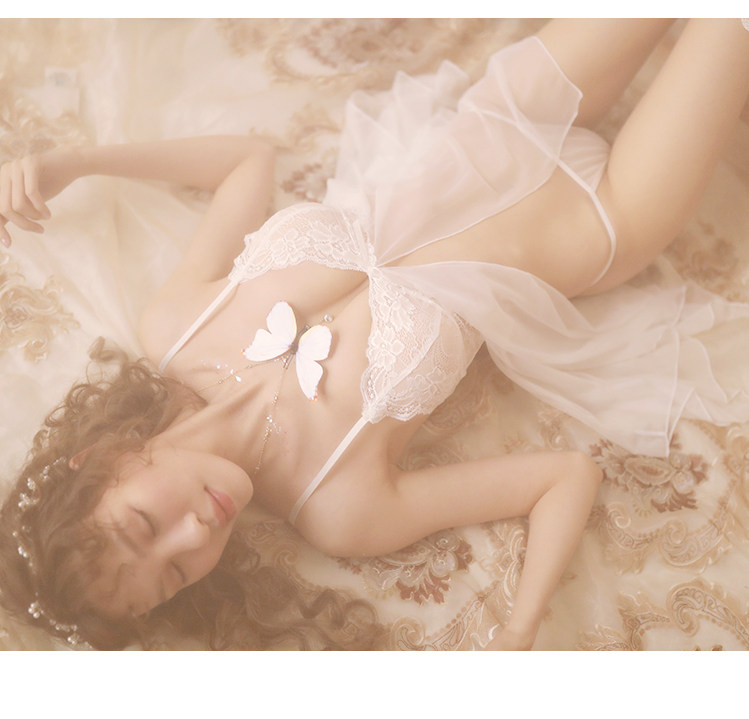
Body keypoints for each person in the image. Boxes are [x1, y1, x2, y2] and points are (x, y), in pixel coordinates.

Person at [1, 18, 749, 651]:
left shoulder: (177, 326)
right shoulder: (340, 507)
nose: (194, 535)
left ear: (101, 460)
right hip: (602, 218)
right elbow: (565, 477)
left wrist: (77, 164)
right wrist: (520, 632)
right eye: (174, 575)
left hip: (502, 113)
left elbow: (246, 161)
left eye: (144, 524)